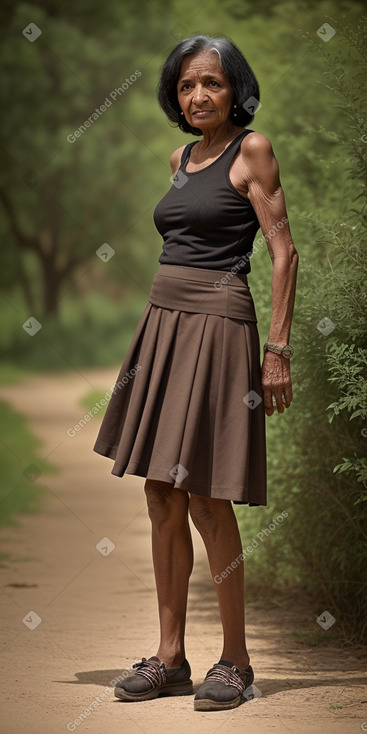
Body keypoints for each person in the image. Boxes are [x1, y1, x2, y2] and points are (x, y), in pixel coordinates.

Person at [93, 34, 298, 711]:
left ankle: (235, 662)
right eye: (185, 86)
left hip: (218, 323)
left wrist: (276, 351)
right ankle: (170, 658)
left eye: (210, 82)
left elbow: (282, 254)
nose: (198, 96)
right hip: (164, 320)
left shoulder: (253, 150)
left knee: (207, 493)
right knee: (159, 490)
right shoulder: (179, 158)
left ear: (233, 86)